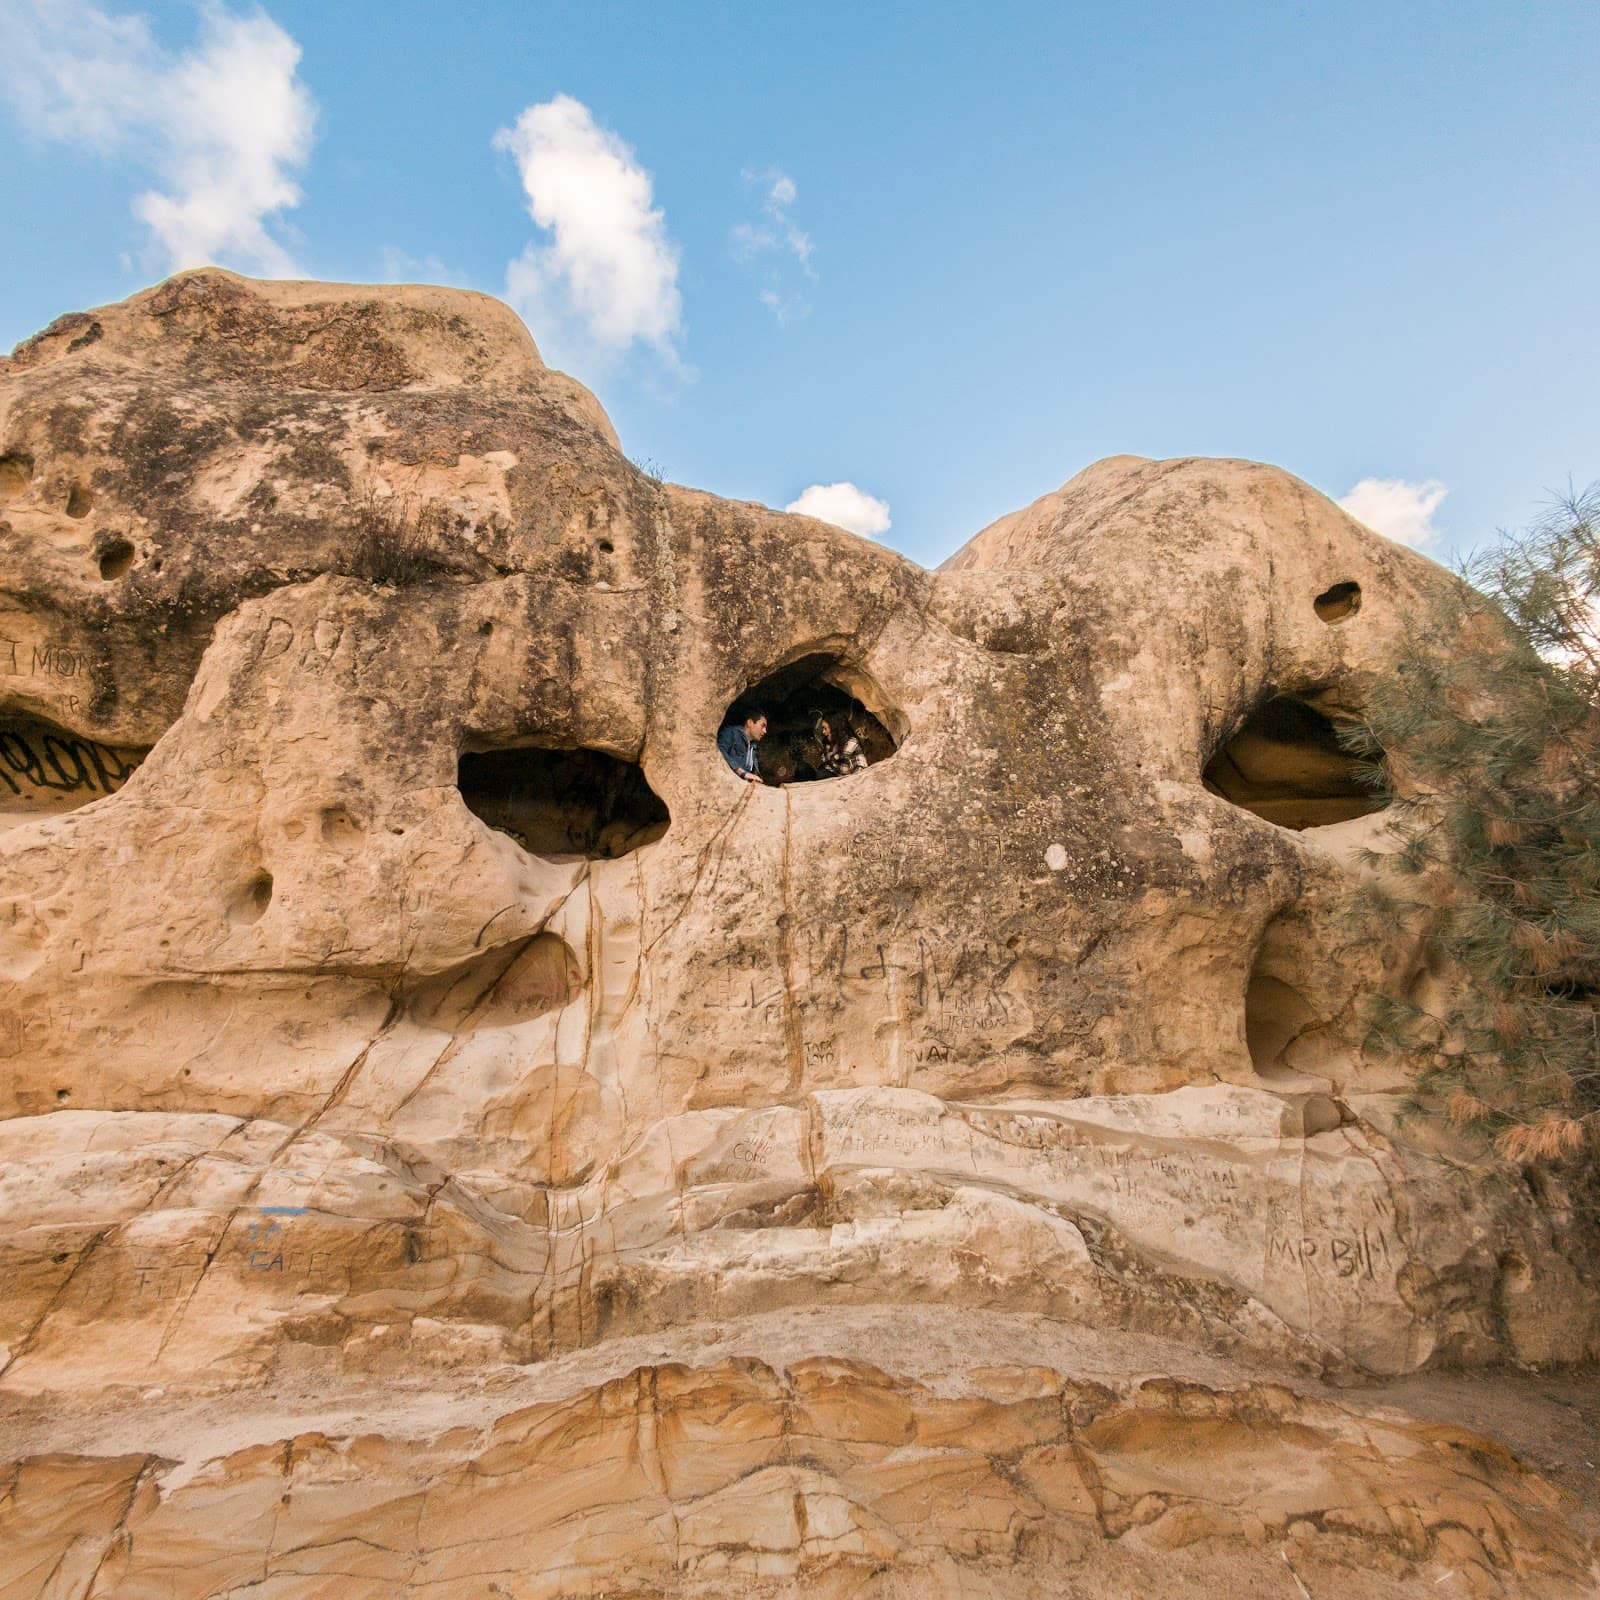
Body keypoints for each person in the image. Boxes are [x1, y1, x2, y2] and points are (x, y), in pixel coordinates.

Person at [718, 710, 767, 783]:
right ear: (750, 723)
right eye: (762, 726)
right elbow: (718, 752)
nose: (765, 731)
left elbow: (753, 773)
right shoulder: (731, 733)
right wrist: (741, 772)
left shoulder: (753, 746)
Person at [814, 713, 867, 778]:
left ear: (835, 728)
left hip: (847, 779)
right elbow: (827, 763)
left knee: (821, 774)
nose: (823, 732)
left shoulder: (850, 743)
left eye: (825, 728)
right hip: (834, 773)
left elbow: (858, 768)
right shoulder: (831, 741)